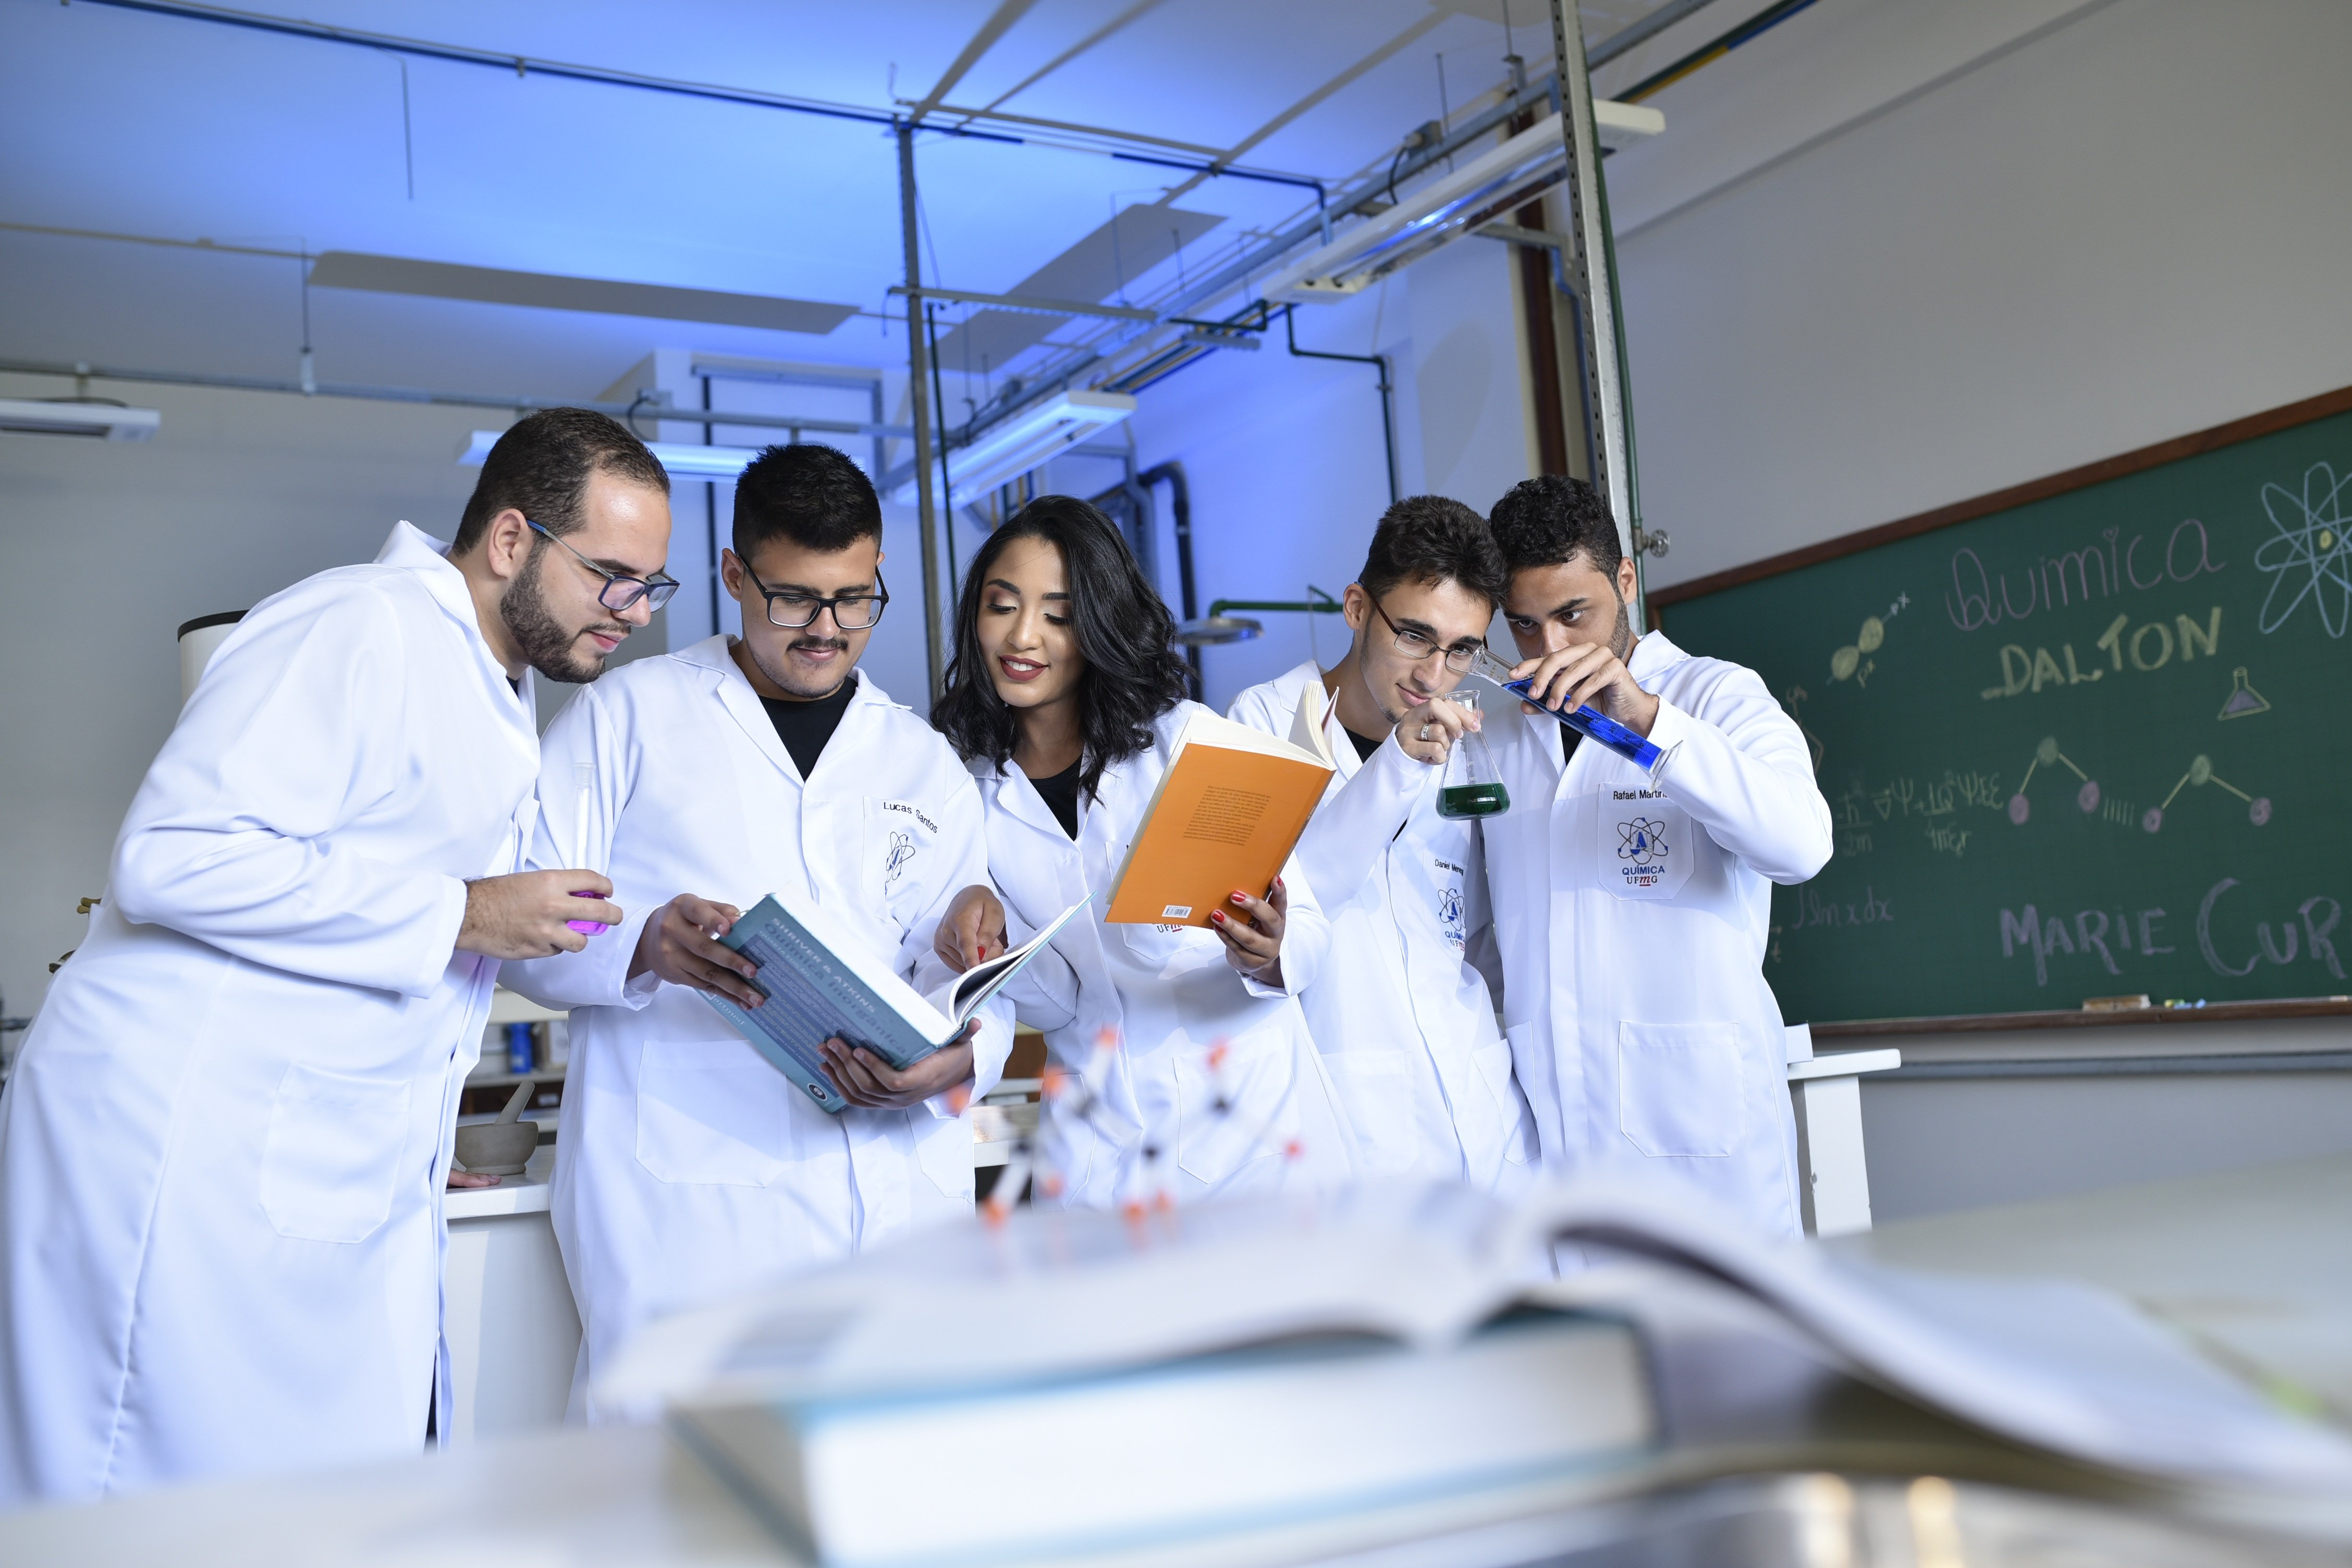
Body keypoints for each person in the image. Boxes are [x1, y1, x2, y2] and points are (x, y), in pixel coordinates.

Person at [0, 408, 671, 1501]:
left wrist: (418, 1126)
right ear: (512, 539)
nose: (635, 614)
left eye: (651, 586)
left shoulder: (496, 684)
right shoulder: (358, 625)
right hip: (179, 1157)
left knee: (290, 1502)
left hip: (304, 1158)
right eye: (613, 578)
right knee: (145, 1507)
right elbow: (172, 858)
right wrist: (465, 911)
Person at [500, 444, 1008, 1420]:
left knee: (886, 1473)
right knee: (679, 1483)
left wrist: (963, 1057)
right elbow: (517, 927)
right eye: (793, 599)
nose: (827, 630)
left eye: (854, 599)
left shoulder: (921, 761)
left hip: (899, 1205)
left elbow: (973, 983)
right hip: (691, 1221)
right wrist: (644, 947)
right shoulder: (627, 717)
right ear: (735, 576)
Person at [928, 496, 1352, 1209]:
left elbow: (1308, 930)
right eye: (1002, 606)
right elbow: (1057, 1006)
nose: (1023, 636)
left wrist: (1269, 950)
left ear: (1101, 624)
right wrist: (991, 947)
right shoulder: (966, 786)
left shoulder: (1186, 741)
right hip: (1093, 1156)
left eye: (1059, 616)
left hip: (1245, 1142)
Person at [1480, 474, 1831, 1237]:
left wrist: (1649, 723)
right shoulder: (1496, 736)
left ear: (1627, 581)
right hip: (1557, 1148)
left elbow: (1802, 845)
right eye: (1524, 625)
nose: (1550, 648)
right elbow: (1485, 940)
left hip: (1705, 1150)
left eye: (1573, 614)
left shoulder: (1716, 697)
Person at [1226, 496, 1536, 1192]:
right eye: (1416, 637)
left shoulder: (1466, 747)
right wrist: (1394, 767)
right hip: (1349, 1129)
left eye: (1462, 650)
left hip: (1483, 1122)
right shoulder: (1264, 725)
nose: (1434, 675)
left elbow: (1474, 939)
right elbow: (1279, 911)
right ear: (1358, 608)